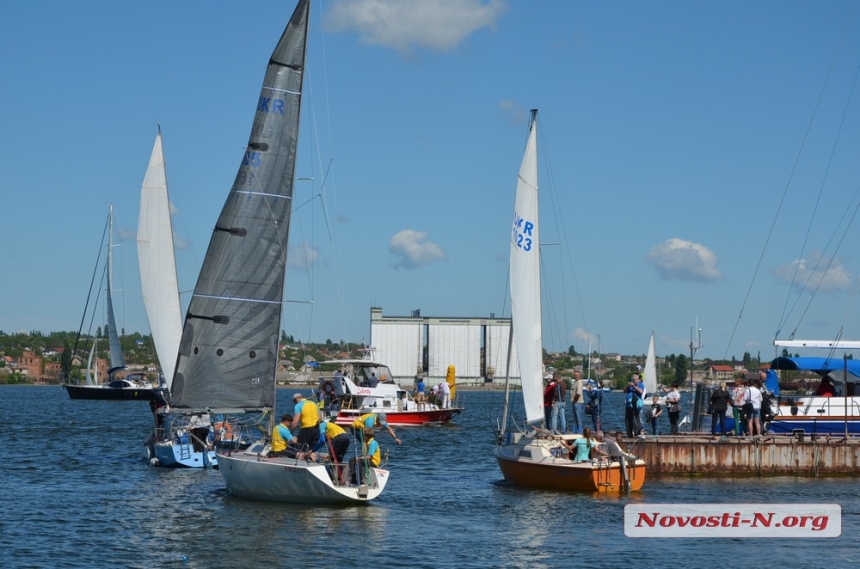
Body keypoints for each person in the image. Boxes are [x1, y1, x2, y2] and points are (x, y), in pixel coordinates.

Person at [290, 393, 321, 457]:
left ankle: (298, 465)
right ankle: (313, 465)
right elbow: (320, 418)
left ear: (297, 398)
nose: (295, 403)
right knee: (311, 451)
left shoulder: (298, 405)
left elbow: (295, 421)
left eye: (295, 401)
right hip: (316, 430)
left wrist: (289, 431)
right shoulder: (314, 404)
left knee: (300, 451)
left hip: (306, 429)